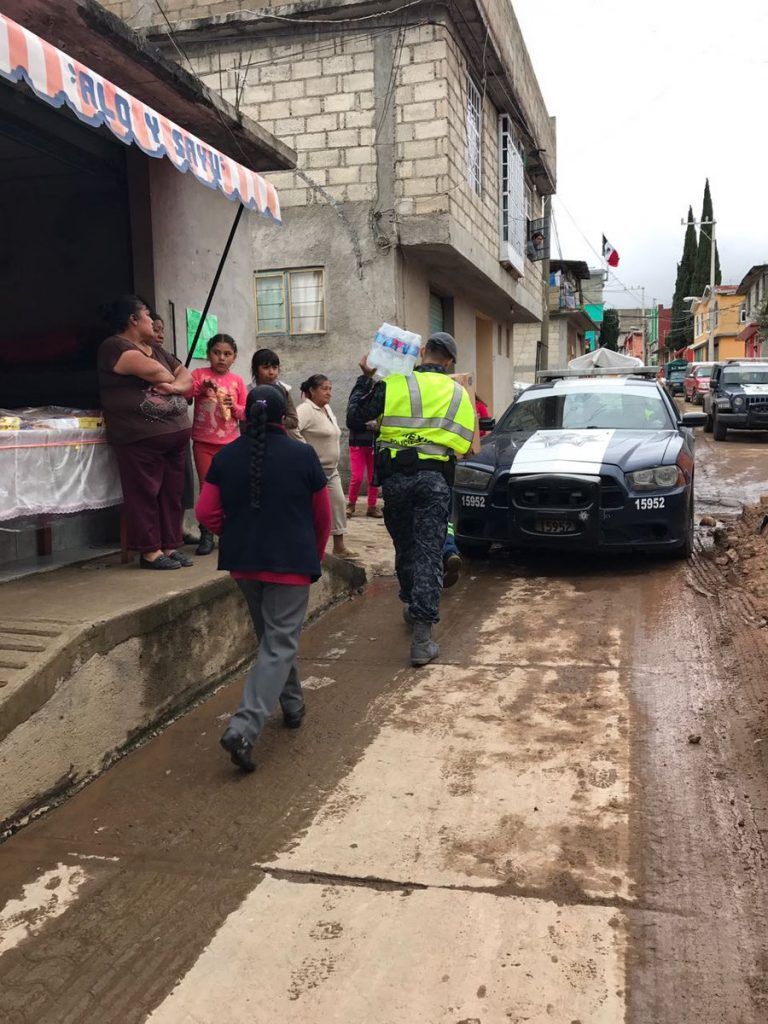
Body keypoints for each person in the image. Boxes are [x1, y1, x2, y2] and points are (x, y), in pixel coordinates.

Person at [196, 386, 331, 772]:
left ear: (245, 416)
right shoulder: (302, 455)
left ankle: (292, 705)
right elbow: (322, 516)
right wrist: (313, 555)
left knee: (273, 641)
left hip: (244, 565)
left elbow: (206, 513)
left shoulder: (226, 457)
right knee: (278, 643)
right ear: (283, 416)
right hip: (290, 565)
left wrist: (235, 532)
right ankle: (243, 727)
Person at [347, 332, 475, 666]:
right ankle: (422, 639)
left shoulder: (395, 383)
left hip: (396, 481)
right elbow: (464, 446)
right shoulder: (458, 393)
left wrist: (366, 377)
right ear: (449, 361)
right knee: (430, 554)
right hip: (434, 480)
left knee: (405, 547)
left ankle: (409, 602)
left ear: (422, 353)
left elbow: (355, 417)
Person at [97, 295, 193, 570]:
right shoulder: (114, 346)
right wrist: (171, 378)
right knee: (144, 494)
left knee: (171, 494)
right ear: (133, 319)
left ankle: (170, 546)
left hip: (173, 435)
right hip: (138, 436)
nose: (153, 321)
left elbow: (187, 378)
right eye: (148, 315)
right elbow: (158, 372)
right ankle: (150, 552)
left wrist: (174, 388)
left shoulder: (156, 348)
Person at [189, 334, 247, 555]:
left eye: (227, 354)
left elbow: (244, 413)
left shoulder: (237, 381)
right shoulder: (199, 375)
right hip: (203, 443)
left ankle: (229, 533)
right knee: (207, 488)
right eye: (216, 353)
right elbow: (186, 393)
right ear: (208, 354)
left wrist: (234, 407)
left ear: (234, 357)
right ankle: (206, 533)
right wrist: (201, 389)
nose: (221, 358)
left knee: (230, 488)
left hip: (230, 444)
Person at [297, 374, 356, 559]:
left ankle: (339, 546)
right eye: (324, 388)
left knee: (338, 504)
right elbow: (291, 428)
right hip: (314, 471)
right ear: (312, 391)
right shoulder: (306, 409)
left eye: (330, 388)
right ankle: (309, 548)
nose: (328, 393)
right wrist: (305, 450)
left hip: (332, 470)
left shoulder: (327, 409)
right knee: (315, 512)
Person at [442, 394, 488, 589]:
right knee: (446, 519)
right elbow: (470, 441)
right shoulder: (460, 399)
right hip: (448, 467)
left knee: (424, 527)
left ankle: (434, 568)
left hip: (418, 471)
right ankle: (449, 551)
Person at [250, 348, 300, 437]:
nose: (271, 372)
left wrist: (276, 420)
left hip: (278, 439)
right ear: (256, 370)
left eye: (275, 367)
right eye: (266, 368)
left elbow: (294, 421)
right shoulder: (248, 392)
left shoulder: (283, 390)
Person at [346, 415, 381, 518]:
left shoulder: (378, 401)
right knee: (357, 477)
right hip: (357, 443)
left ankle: (372, 506)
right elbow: (350, 422)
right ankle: (351, 504)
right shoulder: (356, 399)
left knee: (373, 477)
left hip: (373, 444)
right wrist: (367, 426)